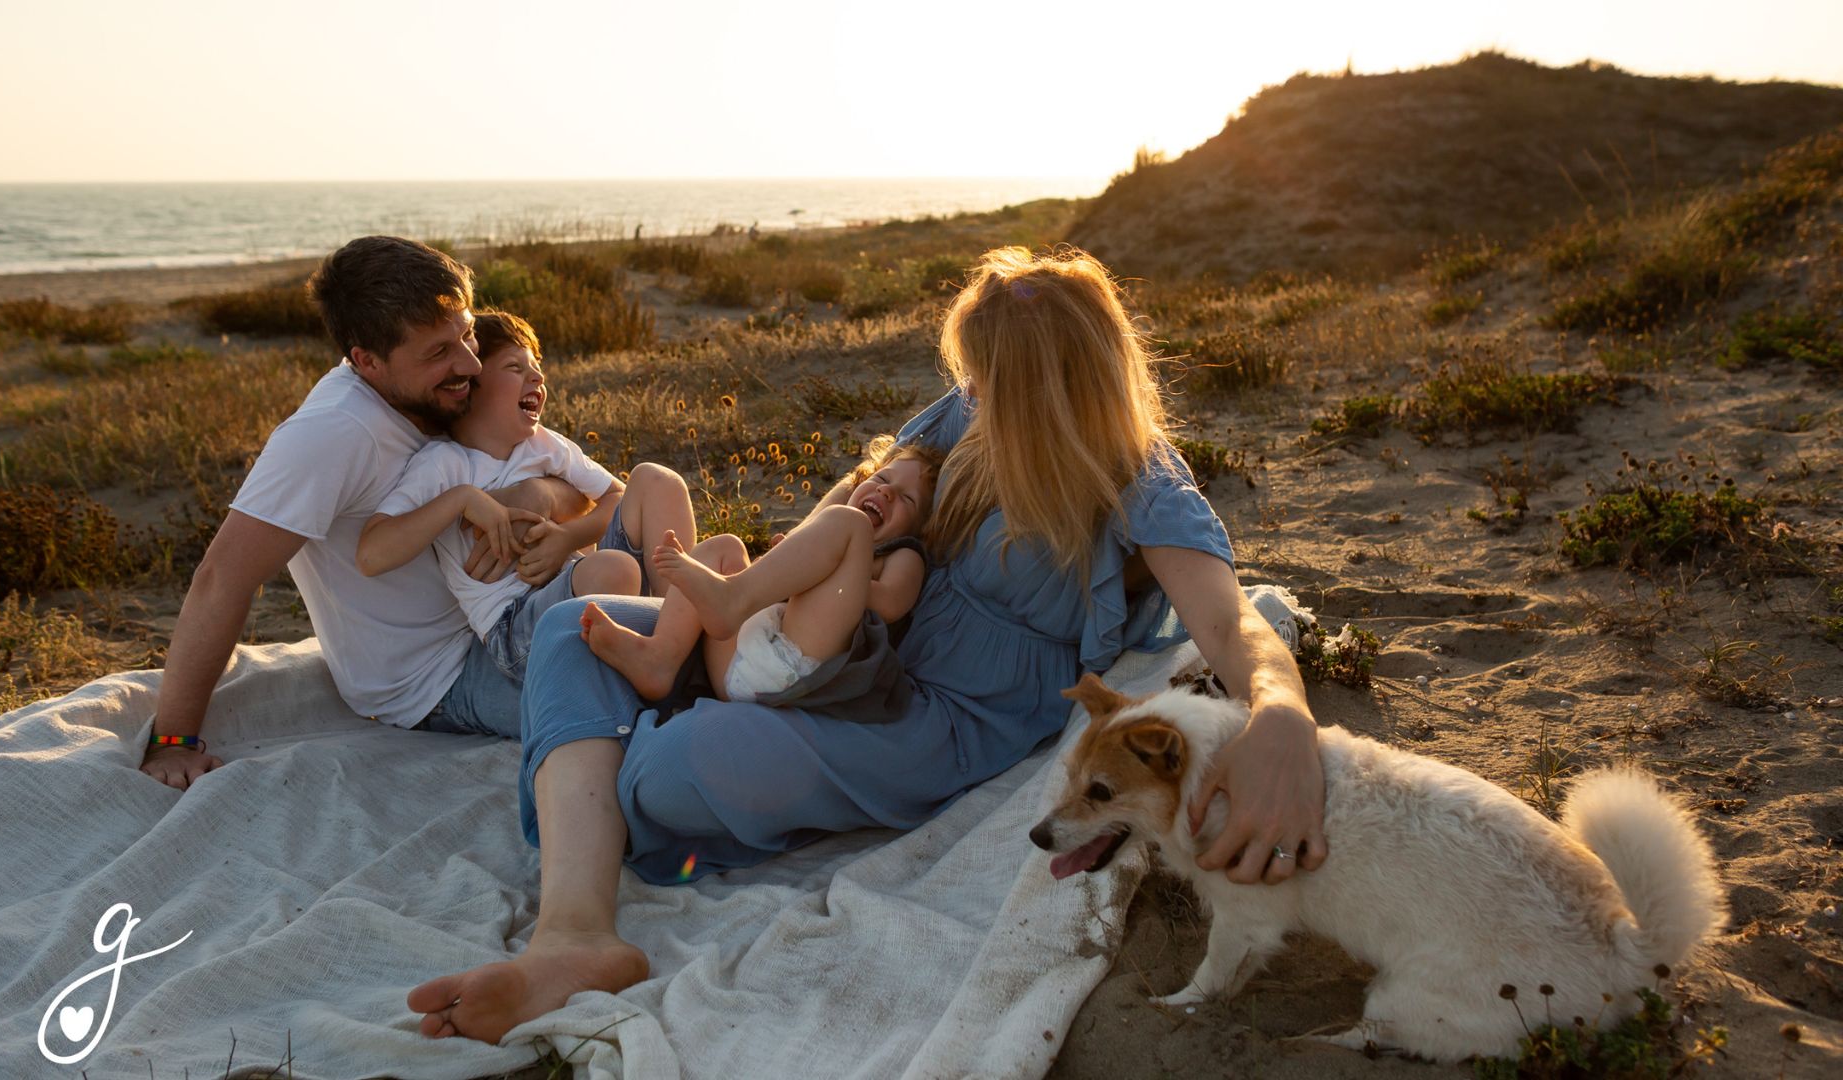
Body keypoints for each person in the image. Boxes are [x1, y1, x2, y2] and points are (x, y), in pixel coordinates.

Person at [407, 246, 1326, 1044]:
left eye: (991, 376)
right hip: (849, 648)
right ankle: (573, 935)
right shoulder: (971, 408)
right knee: (575, 630)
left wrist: (1281, 716)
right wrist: (759, 623)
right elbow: (845, 510)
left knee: (664, 772)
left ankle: (620, 762)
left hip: (932, 717)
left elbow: (1231, 621)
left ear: (1053, 381)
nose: (971, 393)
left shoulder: (1137, 477)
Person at [138, 236, 689, 788]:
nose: (471, 364)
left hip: (526, 599)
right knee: (644, 703)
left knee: (658, 509)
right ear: (367, 362)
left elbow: (561, 481)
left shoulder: (448, 393)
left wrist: (537, 497)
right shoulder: (330, 435)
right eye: (438, 353)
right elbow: (221, 579)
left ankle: (686, 632)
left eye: (468, 335)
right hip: (442, 674)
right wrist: (173, 742)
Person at [357, 311, 642, 684]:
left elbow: (617, 496)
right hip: (514, 628)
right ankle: (659, 639)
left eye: (536, 366)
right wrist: (462, 499)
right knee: (615, 570)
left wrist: (569, 538)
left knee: (656, 481)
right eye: (515, 366)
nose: (538, 377)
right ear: (469, 388)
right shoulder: (444, 465)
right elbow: (371, 555)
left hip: (571, 586)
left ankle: (668, 631)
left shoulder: (543, 444)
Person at [581, 436, 940, 703]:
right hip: (742, 661)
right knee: (726, 547)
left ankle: (729, 598)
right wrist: (792, 566)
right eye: (881, 480)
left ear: (921, 527)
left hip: (794, 671)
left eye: (907, 498)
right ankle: (661, 658)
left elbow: (892, 603)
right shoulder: (836, 534)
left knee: (850, 525)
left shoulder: (904, 554)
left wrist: (832, 571)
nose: (888, 492)